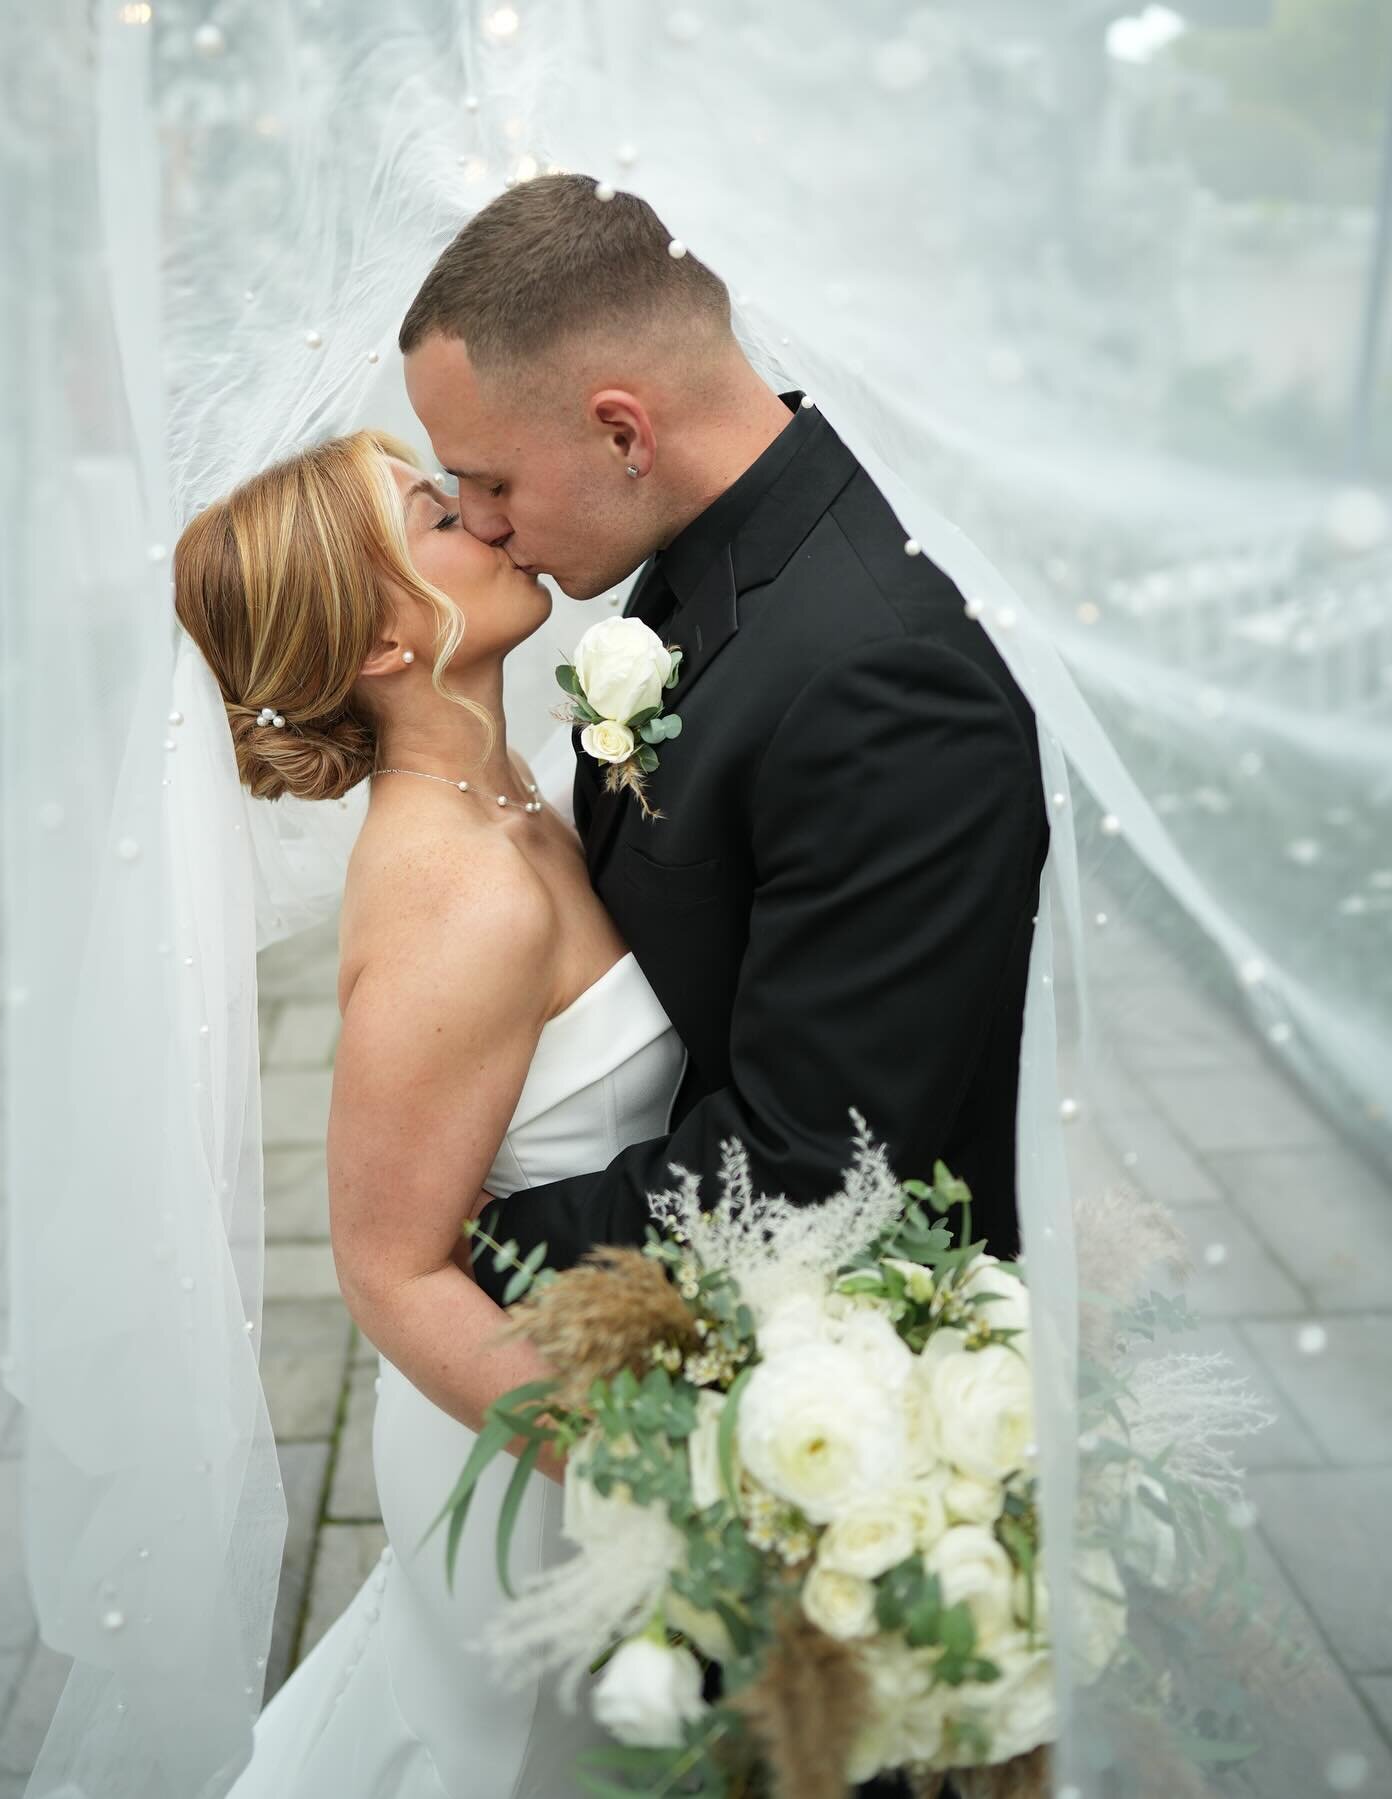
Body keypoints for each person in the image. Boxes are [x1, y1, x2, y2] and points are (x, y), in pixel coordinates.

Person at [398, 174, 1049, 1292]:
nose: (483, 521)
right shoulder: (723, 550)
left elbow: (812, 1166)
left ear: (623, 432)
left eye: (490, 478)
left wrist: (458, 1249)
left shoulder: (887, 685)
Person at [176, 426, 684, 1797]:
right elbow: (389, 1266)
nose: (480, 510)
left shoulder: (511, 789)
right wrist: (660, 1472)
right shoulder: (455, 895)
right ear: (386, 646)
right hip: (538, 1466)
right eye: (431, 512)